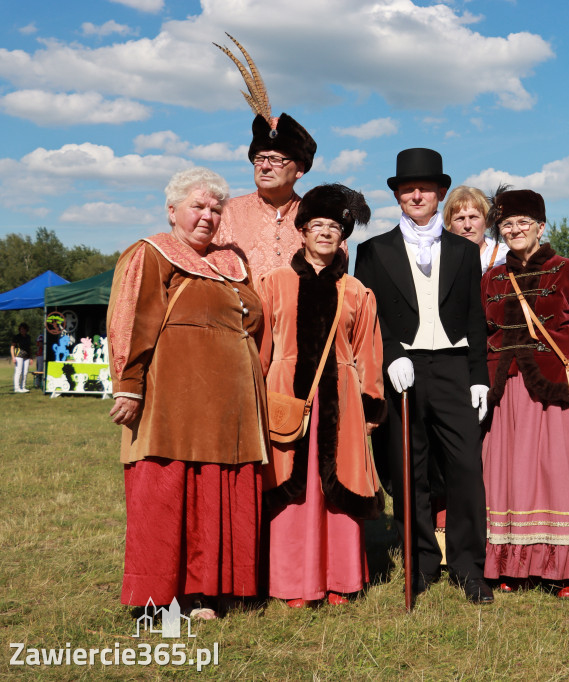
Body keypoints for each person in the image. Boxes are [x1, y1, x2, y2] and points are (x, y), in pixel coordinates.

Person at [107, 166, 267, 619]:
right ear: (172, 209)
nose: (207, 216)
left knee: (216, 496)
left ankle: (205, 594)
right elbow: (129, 319)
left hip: (229, 407)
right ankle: (156, 600)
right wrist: (129, 386)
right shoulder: (153, 253)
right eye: (198, 206)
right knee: (164, 492)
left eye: (216, 209)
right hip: (172, 402)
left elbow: (254, 321)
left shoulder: (231, 264)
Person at [354, 148, 493, 604]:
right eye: (408, 189)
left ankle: (469, 567)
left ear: (440, 194)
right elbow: (371, 316)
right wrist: (391, 354)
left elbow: (474, 316)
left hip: (453, 366)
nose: (417, 195)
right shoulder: (372, 250)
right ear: (397, 196)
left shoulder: (462, 250)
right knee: (409, 470)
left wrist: (478, 377)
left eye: (426, 189)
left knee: (466, 468)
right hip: (404, 370)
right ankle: (421, 562)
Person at [258, 184, 385, 608]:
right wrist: (256, 396)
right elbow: (260, 347)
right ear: (303, 231)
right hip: (285, 399)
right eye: (318, 225)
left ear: (343, 236)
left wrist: (370, 403)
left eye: (335, 226)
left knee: (338, 485)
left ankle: (340, 580)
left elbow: (368, 349)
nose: (327, 233)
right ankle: (295, 583)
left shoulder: (356, 291)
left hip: (342, 404)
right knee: (291, 486)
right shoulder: (274, 283)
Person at [480, 188, 569, 597]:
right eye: (507, 224)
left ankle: (568, 571)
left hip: (556, 392)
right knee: (511, 477)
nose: (515, 230)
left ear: (541, 226)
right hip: (507, 392)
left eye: (523, 223)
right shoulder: (492, 279)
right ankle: (513, 566)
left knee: (560, 475)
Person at [213, 34, 317, 279]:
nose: (265, 167)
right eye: (259, 158)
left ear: (300, 169)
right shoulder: (225, 213)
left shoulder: (317, 217)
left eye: (277, 160)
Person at [444, 185, 508, 272]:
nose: (467, 225)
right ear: (450, 223)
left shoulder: (504, 256)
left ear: (486, 220)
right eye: (460, 218)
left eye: (473, 217)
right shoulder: (439, 257)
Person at [10, 323, 32, 393]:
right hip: (19, 355)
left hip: (27, 356)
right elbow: (12, 347)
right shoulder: (16, 337)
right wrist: (13, 357)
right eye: (21, 329)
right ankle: (17, 388)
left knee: (25, 372)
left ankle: (23, 387)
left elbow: (29, 347)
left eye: (24, 329)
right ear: (19, 329)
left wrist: (31, 357)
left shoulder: (28, 337)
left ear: (26, 330)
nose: (22, 330)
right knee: (18, 372)